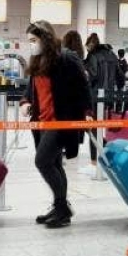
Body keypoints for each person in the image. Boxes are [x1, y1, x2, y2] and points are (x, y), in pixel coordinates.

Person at [20, 21, 92, 228]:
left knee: (42, 161)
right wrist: (25, 102)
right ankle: (60, 207)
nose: (32, 44)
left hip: (61, 120)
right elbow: (32, 88)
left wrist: (87, 113)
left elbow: (83, 87)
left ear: (45, 38)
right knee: (55, 163)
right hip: (42, 121)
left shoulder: (66, 58)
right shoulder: (37, 60)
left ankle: (62, 208)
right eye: (29, 41)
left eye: (34, 40)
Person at [84, 33, 119, 164]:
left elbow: (92, 76)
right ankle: (104, 147)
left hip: (93, 96)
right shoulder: (112, 55)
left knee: (92, 126)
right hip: (107, 96)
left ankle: (95, 158)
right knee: (96, 126)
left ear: (90, 45)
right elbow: (120, 76)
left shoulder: (93, 55)